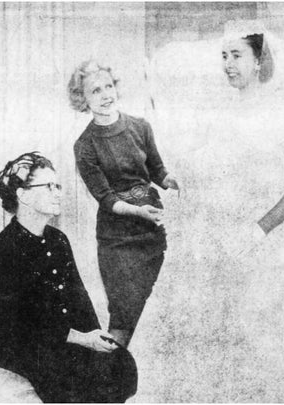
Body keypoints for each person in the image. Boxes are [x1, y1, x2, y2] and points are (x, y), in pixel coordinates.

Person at [129, 22, 284, 402]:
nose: (228, 64)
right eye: (224, 56)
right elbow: (218, 168)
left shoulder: (279, 109)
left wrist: (259, 229)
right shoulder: (223, 109)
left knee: (271, 346)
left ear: (259, 60)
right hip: (223, 237)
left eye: (237, 55)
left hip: (268, 241)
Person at [0, 152, 137, 403]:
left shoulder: (58, 240)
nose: (58, 193)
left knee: (120, 364)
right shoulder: (3, 250)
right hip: (19, 342)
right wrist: (81, 339)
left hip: (64, 335)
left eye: (58, 186)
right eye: (49, 186)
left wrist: (96, 334)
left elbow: (78, 296)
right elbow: (18, 322)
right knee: (72, 376)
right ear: (23, 195)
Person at [68, 60, 179, 349]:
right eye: (95, 91)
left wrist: (175, 181)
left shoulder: (141, 126)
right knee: (124, 317)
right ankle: (111, 384)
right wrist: (139, 212)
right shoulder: (85, 145)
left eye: (108, 86)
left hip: (153, 232)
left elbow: (157, 171)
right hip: (117, 240)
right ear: (83, 100)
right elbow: (105, 199)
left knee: (156, 311)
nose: (105, 94)